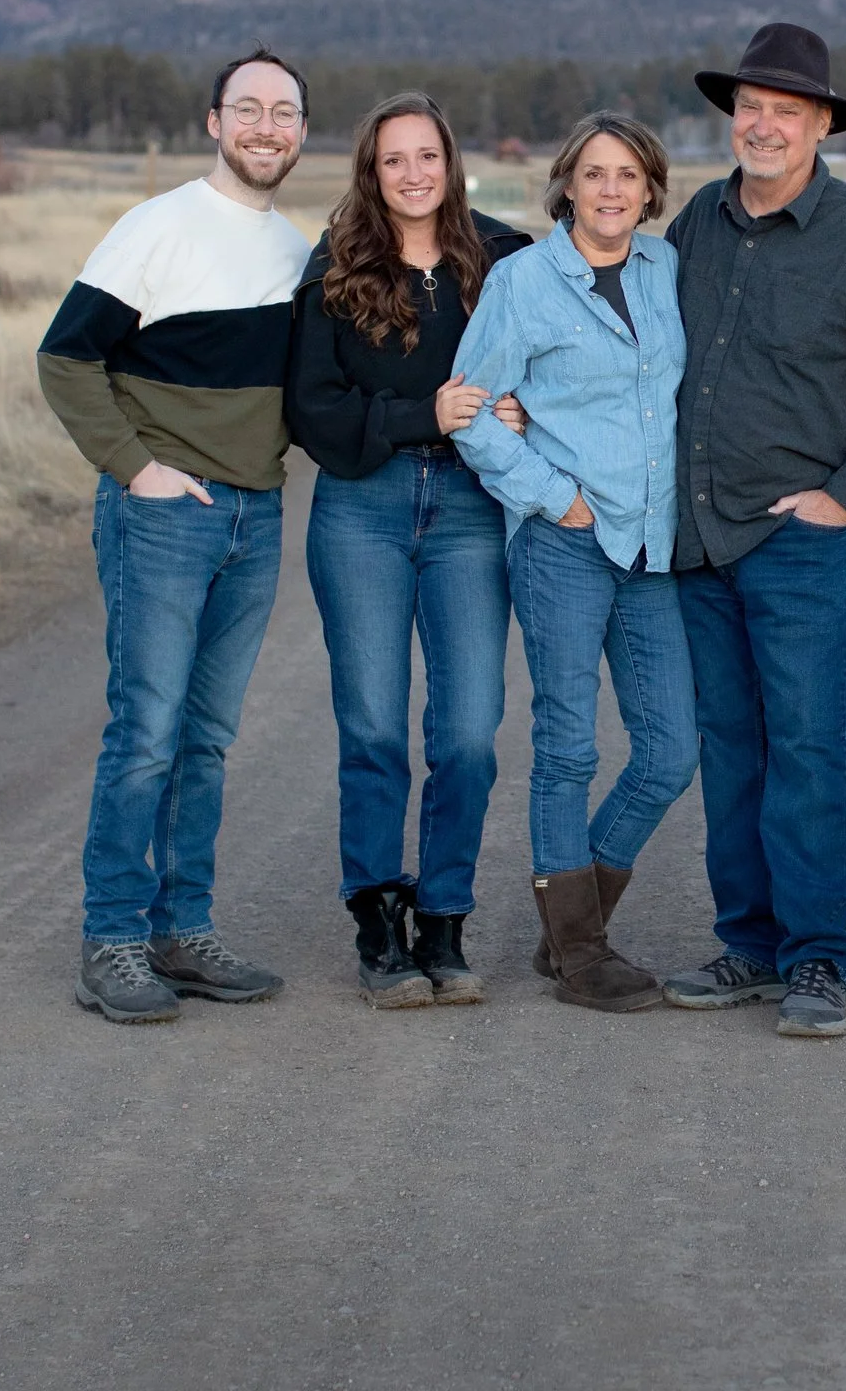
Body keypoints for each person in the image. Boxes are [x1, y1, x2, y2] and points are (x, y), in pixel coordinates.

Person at [657, 23, 846, 1039]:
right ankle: (750, 940)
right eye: (750, 106)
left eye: (786, 110)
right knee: (730, 748)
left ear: (822, 124)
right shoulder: (696, 219)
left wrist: (845, 495)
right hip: (701, 544)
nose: (763, 125)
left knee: (812, 749)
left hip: (809, 546)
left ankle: (817, 957)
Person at [38, 47, 312, 1024]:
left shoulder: (297, 253)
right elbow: (66, 356)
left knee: (205, 737)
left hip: (257, 513)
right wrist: (136, 469)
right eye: (248, 107)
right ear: (213, 121)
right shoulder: (154, 228)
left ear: (302, 133)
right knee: (146, 731)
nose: (266, 126)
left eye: (284, 112)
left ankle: (180, 930)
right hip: (164, 514)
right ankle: (111, 938)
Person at [286, 93, 534, 1008]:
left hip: (471, 504)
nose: (414, 174)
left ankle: (445, 921)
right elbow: (311, 408)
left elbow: (563, 345)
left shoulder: (504, 257)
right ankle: (377, 923)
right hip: (364, 505)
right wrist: (414, 415)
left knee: (468, 731)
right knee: (375, 729)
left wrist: (526, 408)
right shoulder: (337, 268)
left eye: (427, 155)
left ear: (452, 161)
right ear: (372, 171)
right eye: (395, 160)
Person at [448, 112, 697, 1013]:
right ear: (567, 185)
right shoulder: (523, 281)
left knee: (672, 746)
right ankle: (582, 951)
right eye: (595, 174)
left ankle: (567, 922)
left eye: (629, 175)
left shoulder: (667, 269)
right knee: (566, 747)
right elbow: (470, 406)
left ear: (650, 190)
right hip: (565, 541)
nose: (612, 191)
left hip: (651, 545)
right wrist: (555, 496)